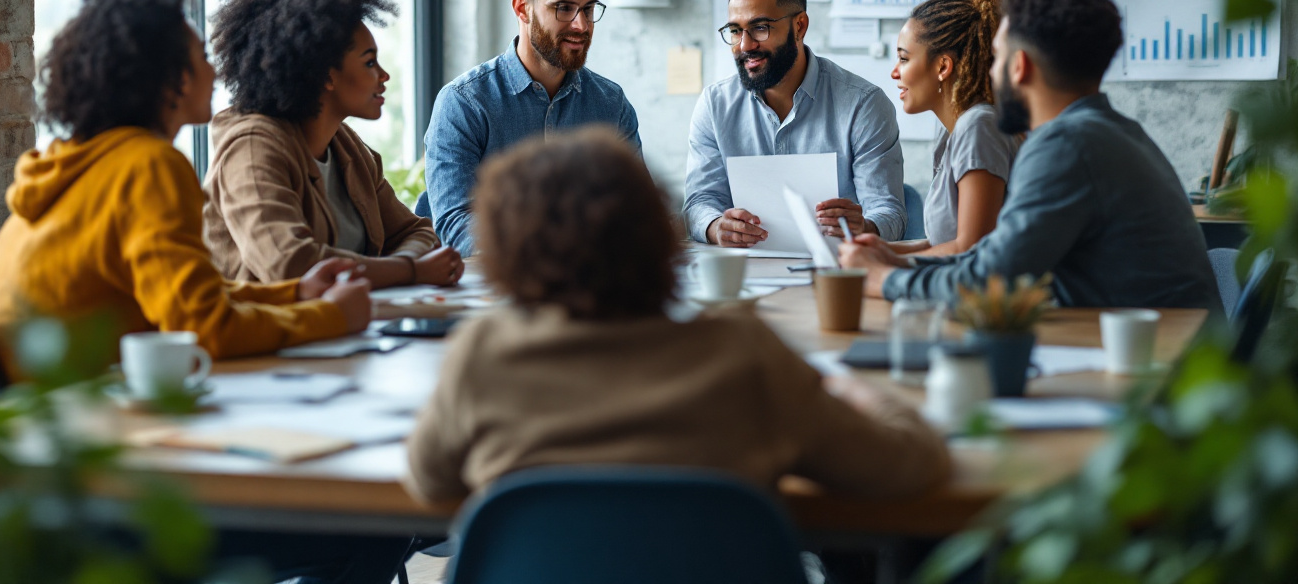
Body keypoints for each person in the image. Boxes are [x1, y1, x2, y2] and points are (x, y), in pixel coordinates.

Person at [0, 0, 406, 584]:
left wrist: (293, 294)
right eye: (201, 55)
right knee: (364, 528)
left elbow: (188, 295)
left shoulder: (79, 164)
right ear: (171, 81)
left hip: (34, 475)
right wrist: (330, 316)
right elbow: (202, 325)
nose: (215, 69)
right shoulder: (149, 166)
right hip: (98, 493)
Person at [405, 127, 949, 505]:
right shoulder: (740, 352)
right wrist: (859, 393)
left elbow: (429, 482)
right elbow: (909, 465)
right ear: (657, 236)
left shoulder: (482, 357)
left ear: (508, 251)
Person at [839, 0, 1221, 311]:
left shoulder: (1066, 146)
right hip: (1169, 347)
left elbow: (990, 282)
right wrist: (890, 257)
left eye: (996, 56)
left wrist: (878, 279)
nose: (987, 69)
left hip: (1165, 367)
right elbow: (996, 255)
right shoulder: (1113, 130)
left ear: (1019, 66)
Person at [203, 0, 462, 288]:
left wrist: (403, 263)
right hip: (272, 336)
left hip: (344, 329)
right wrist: (409, 272)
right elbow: (290, 265)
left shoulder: (346, 146)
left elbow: (415, 231)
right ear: (325, 74)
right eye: (369, 62)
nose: (384, 76)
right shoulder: (252, 148)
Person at [424, 0, 641, 256]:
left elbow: (633, 212)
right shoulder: (464, 103)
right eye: (564, 8)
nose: (582, 25)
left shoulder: (611, 103)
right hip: (489, 289)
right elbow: (458, 226)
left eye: (589, 9)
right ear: (522, 9)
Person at [683, 0, 906, 247]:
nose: (745, 46)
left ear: (799, 26)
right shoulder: (715, 106)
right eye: (736, 31)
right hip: (745, 272)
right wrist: (716, 227)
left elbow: (891, 213)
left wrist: (866, 226)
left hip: (838, 273)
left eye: (760, 28)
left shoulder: (863, 105)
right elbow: (699, 202)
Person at [886, 0, 1019, 256]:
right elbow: (943, 243)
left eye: (903, 59)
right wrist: (881, 251)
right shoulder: (952, 130)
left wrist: (880, 266)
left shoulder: (979, 126)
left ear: (943, 67)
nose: (894, 73)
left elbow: (971, 249)